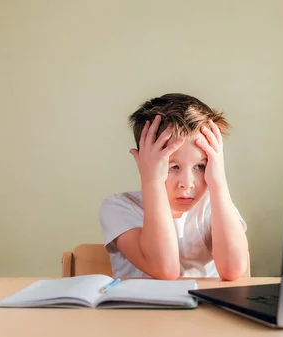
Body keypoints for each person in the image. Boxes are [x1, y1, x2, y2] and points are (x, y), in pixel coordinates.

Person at [99, 93, 249, 280]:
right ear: (143, 163)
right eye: (173, 167)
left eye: (201, 166)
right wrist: (151, 182)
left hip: (204, 308)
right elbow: (165, 271)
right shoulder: (119, 207)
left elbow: (233, 270)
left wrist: (219, 183)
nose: (187, 183)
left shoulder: (215, 205)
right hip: (141, 309)